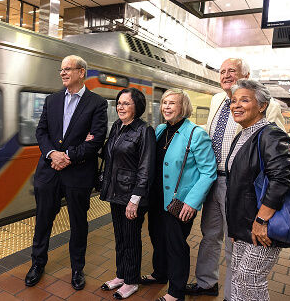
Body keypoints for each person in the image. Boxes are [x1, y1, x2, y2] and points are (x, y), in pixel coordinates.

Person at [180, 58, 290, 300]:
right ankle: (207, 283)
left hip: (238, 185)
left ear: (246, 75)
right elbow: (209, 130)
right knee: (209, 234)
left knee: (233, 240)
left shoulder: (267, 106)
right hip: (212, 179)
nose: (225, 75)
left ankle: (232, 294)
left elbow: (277, 142)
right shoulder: (217, 99)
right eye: (222, 72)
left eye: (232, 71)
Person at [25, 55, 108, 290]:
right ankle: (37, 264)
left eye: (67, 69)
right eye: (61, 70)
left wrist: (68, 156)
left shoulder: (97, 103)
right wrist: (53, 154)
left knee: (78, 224)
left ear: (81, 72)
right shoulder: (51, 100)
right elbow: (41, 132)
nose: (62, 73)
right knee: (43, 221)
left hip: (78, 174)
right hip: (49, 171)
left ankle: (77, 269)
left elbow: (96, 140)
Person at [144, 88, 217, 301]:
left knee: (176, 245)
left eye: (172, 103)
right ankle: (160, 274)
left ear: (183, 107)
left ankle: (176, 291)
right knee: (157, 238)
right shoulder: (159, 130)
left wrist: (192, 203)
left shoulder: (196, 133)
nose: (166, 107)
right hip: (157, 198)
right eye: (164, 102)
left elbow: (208, 172)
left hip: (179, 202)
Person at [226, 79, 290, 300]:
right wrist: (236, 227)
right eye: (233, 101)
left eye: (245, 100)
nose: (236, 105)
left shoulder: (270, 134)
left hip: (262, 225)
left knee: (249, 279)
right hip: (243, 224)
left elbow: (280, 180)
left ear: (262, 106)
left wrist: (262, 221)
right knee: (238, 277)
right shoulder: (243, 134)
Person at [97, 88, 156, 299]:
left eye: (126, 104)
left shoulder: (144, 130)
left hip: (132, 196)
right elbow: (110, 153)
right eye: (119, 103)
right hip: (115, 193)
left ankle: (131, 281)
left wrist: (135, 199)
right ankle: (121, 275)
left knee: (131, 239)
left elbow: (145, 167)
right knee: (120, 237)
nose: (120, 107)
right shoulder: (117, 126)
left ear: (137, 107)